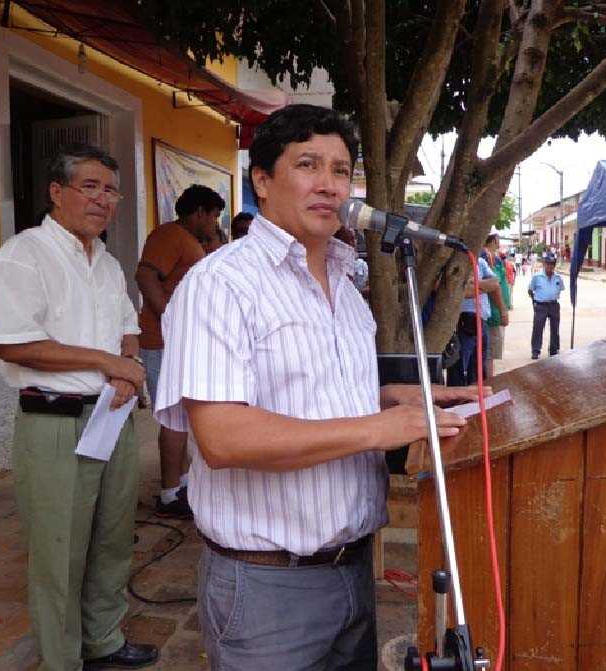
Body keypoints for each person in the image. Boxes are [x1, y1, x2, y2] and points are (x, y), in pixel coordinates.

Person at [154, 104, 478, 671]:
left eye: (340, 169)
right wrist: (378, 428)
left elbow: (312, 392)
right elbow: (223, 437)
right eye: (308, 165)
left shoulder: (345, 285)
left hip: (353, 569)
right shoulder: (221, 285)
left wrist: (393, 399)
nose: (329, 184)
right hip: (268, 589)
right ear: (261, 180)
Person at [0, 145, 158, 671]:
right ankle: (63, 659)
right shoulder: (24, 254)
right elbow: (16, 344)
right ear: (57, 192)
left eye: (111, 191)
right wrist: (109, 362)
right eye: (90, 187)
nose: (103, 199)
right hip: (55, 421)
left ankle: (104, 640)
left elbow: (128, 327)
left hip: (112, 417)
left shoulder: (107, 263)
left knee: (112, 537)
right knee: (59, 551)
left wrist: (126, 369)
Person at [136, 184, 224, 518]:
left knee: (184, 416)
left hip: (180, 340)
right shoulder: (169, 236)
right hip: (162, 341)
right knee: (172, 417)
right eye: (213, 216)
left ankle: (182, 483)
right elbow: (145, 276)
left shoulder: (192, 240)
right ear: (199, 212)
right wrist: (170, 319)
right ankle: (170, 494)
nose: (215, 223)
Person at [450, 254, 497, 384]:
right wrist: (482, 286)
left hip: (481, 320)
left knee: (479, 365)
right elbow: (458, 291)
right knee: (460, 364)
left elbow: (494, 284)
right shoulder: (454, 262)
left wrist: (471, 284)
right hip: (461, 321)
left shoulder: (480, 262)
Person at [528, 252, 564, 359]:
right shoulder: (537, 276)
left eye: (552, 264)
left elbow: (560, 289)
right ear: (544, 263)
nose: (550, 266)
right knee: (538, 328)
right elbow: (530, 290)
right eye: (548, 263)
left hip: (554, 305)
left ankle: (553, 350)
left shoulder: (558, 277)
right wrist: (535, 301)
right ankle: (535, 351)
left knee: (555, 328)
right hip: (541, 305)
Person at [482, 234, 510, 365]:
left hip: (497, 312)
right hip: (493, 313)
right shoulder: (485, 258)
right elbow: (493, 287)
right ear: (493, 241)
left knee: (491, 354)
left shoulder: (496, 259)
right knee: (488, 354)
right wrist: (503, 311)